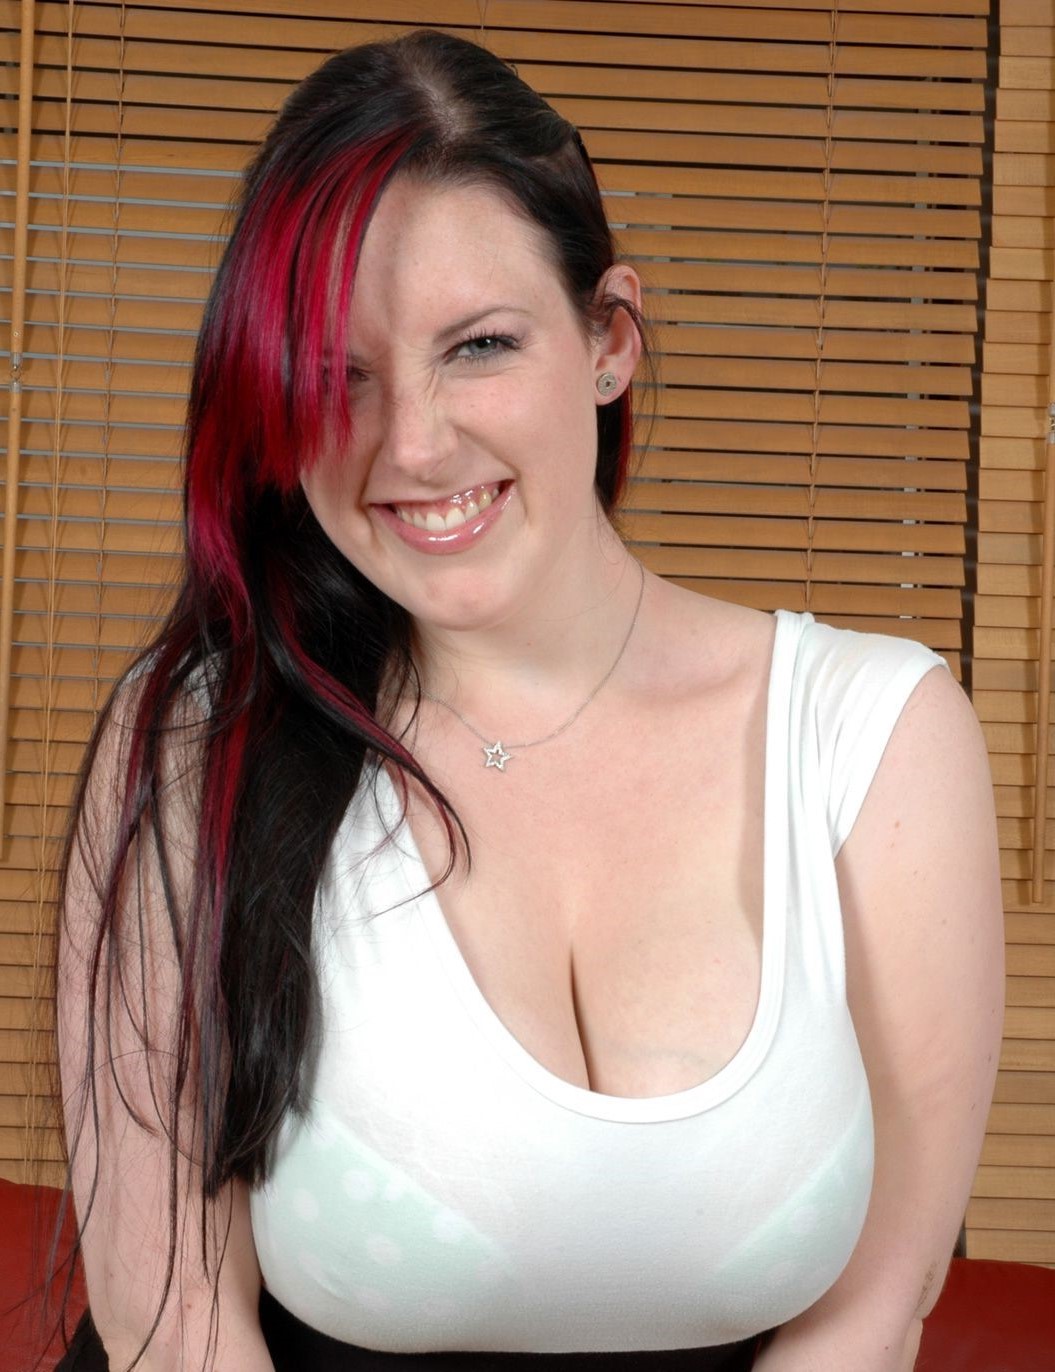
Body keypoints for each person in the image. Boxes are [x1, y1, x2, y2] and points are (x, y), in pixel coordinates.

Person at [55, 27, 1005, 1372]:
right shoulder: (202, 738)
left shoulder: (878, 738)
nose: (413, 443)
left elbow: (875, 1305)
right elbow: (170, 1321)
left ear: (608, 340)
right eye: (337, 375)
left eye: (480, 346)